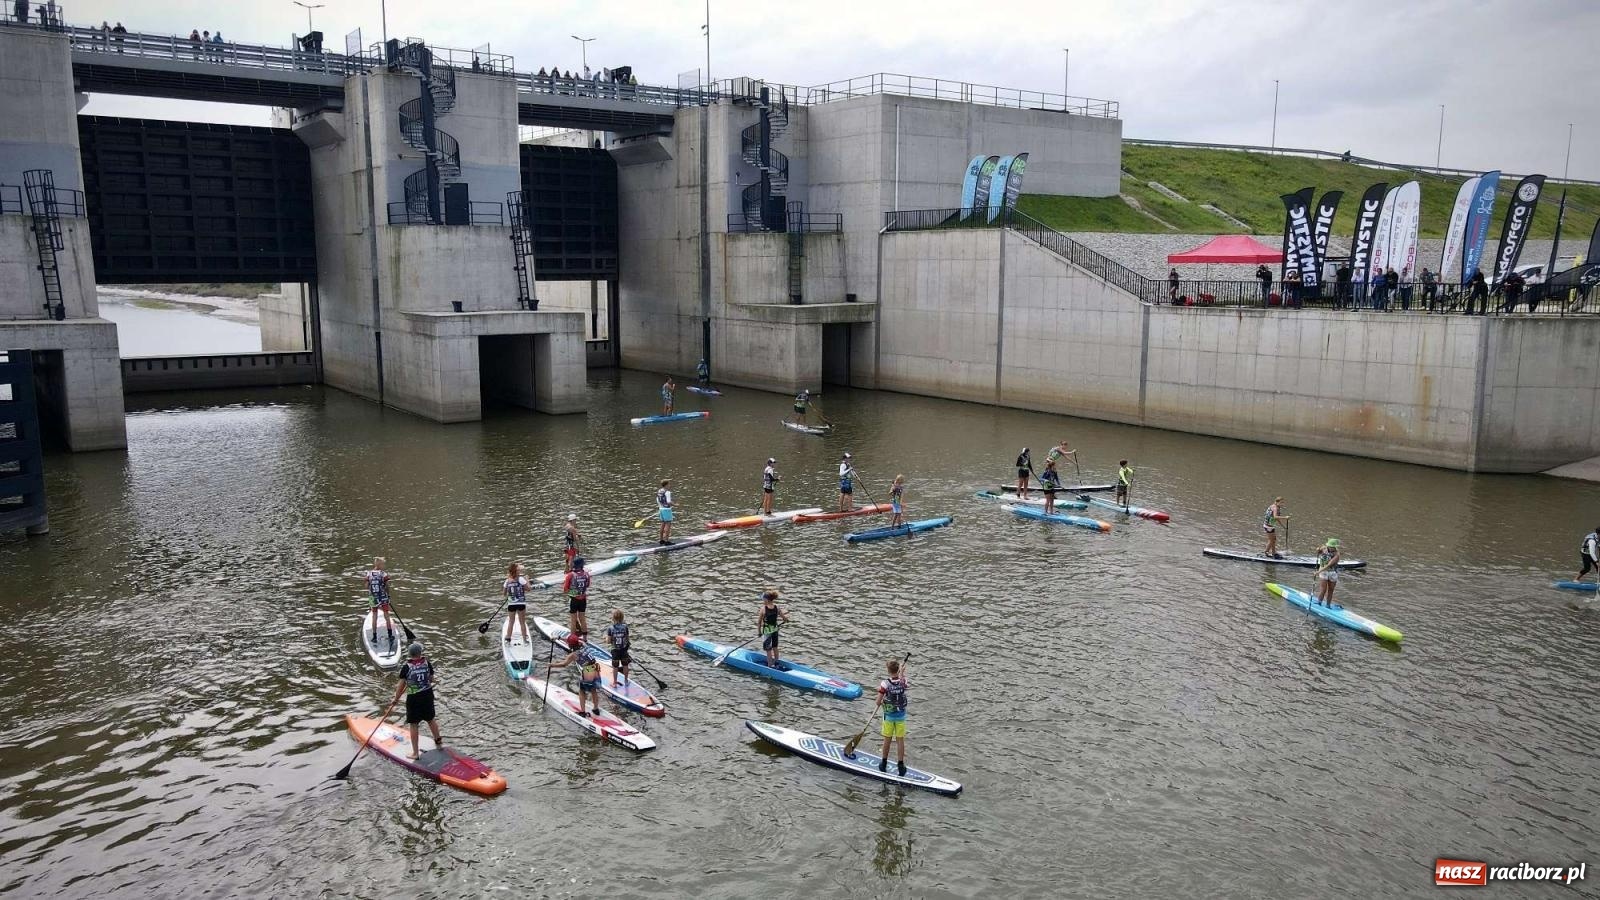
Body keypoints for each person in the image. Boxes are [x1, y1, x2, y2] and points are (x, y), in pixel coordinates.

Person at [390, 642, 441, 760]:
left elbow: (400, 686)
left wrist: (396, 699)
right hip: (427, 695)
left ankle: (415, 753)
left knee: (414, 724)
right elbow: (431, 679)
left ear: (409, 654)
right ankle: (438, 741)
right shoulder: (427, 663)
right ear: (420, 653)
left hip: (414, 698)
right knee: (430, 719)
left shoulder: (407, 667)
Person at [551, 635, 604, 717]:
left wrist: (551, 665)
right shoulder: (583, 644)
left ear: (570, 645)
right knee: (593, 689)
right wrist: (558, 638)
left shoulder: (573, 655)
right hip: (595, 667)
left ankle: (583, 712)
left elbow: (564, 664)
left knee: (582, 691)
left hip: (588, 670)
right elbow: (573, 641)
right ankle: (596, 709)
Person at [875, 658, 910, 776]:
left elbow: (878, 702)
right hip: (901, 716)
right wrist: (902, 673)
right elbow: (902, 683)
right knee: (900, 740)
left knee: (887, 740)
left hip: (889, 716)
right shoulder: (903, 681)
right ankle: (901, 765)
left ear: (888, 670)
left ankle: (883, 763)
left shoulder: (884, 684)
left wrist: (882, 697)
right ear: (898, 669)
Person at [363, 557, 397, 650]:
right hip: (383, 597)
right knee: (386, 615)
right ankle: (390, 635)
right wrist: (388, 596)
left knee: (374, 616)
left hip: (373, 598)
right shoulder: (383, 574)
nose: (384, 566)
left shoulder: (369, 574)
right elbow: (387, 586)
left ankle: (374, 637)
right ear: (379, 565)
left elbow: (366, 586)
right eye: (383, 564)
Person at [757, 589, 788, 667]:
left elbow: (759, 622)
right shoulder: (777, 607)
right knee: (775, 647)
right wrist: (786, 620)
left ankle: (770, 665)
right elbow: (784, 618)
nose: (762, 600)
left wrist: (759, 632)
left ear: (766, 600)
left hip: (767, 632)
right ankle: (776, 662)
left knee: (768, 649)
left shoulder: (763, 609)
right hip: (775, 630)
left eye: (763, 599)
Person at [503, 562, 532, 644]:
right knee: (522, 622)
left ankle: (508, 638)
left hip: (511, 604)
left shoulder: (507, 581)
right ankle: (525, 639)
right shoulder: (521, 579)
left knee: (511, 621)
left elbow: (504, 593)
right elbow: (528, 589)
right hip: (521, 603)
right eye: (519, 570)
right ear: (517, 571)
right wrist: (527, 580)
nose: (520, 571)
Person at [563, 557, 591, 638]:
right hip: (583, 599)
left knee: (573, 620)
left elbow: (565, 590)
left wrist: (575, 593)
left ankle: (573, 638)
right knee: (582, 619)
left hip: (574, 600)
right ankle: (585, 639)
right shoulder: (587, 574)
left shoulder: (570, 575)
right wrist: (580, 593)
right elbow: (588, 585)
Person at [605, 609, 632, 686]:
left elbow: (608, 641)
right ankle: (626, 680)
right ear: (622, 618)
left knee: (615, 667)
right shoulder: (625, 627)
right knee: (625, 665)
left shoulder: (610, 628)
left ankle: (614, 682)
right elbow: (627, 638)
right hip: (623, 650)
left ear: (613, 618)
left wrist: (606, 639)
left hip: (615, 650)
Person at [1313, 539, 1341, 606]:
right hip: (1323, 573)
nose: (1330, 548)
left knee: (1331, 590)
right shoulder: (1324, 548)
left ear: (1335, 547)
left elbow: (1329, 565)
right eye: (1329, 546)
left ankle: (1328, 605)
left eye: (1332, 547)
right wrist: (1318, 550)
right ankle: (1319, 602)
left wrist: (1317, 572)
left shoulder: (1337, 554)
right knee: (1323, 589)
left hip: (1333, 573)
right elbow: (1318, 551)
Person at [656, 479, 674, 543]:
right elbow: (669, 502)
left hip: (661, 509)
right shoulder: (667, 492)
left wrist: (660, 507)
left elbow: (657, 500)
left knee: (663, 524)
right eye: (669, 484)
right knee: (668, 525)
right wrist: (675, 504)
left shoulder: (659, 491)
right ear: (666, 485)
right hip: (667, 510)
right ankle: (666, 540)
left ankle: (661, 540)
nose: (670, 485)